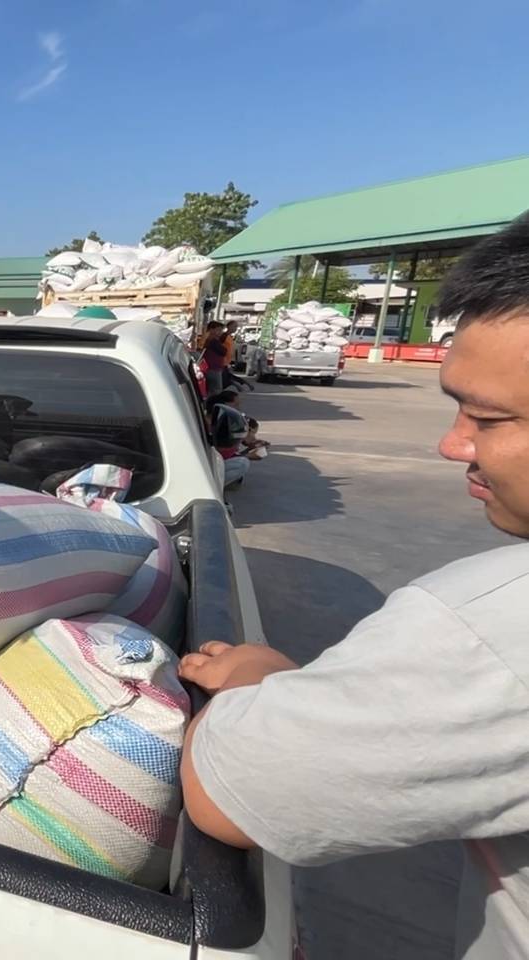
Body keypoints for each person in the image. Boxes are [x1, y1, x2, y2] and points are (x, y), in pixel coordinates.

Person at [179, 213, 529, 960]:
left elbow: (230, 789)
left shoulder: (492, 629)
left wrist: (259, 676)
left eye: (489, 418)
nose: (453, 444)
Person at [205, 388, 250, 487]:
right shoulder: (211, 424)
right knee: (242, 463)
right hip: (209, 463)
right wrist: (247, 455)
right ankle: (210, 487)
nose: (238, 408)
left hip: (215, 460)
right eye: (235, 405)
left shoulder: (219, 421)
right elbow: (218, 451)